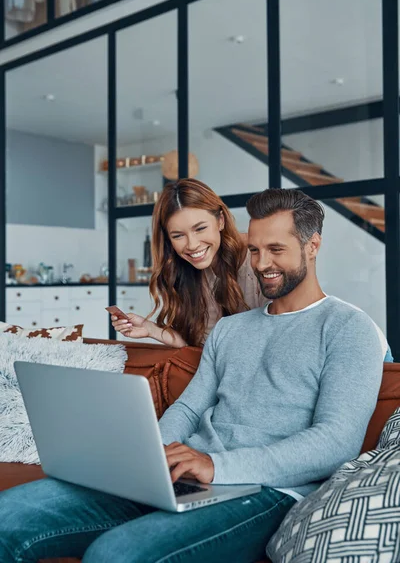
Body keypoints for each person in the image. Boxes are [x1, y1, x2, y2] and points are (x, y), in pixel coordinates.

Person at [0, 188, 388, 563]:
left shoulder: (349, 328)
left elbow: (336, 442)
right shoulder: (231, 329)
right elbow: (188, 407)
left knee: (116, 554)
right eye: (254, 250)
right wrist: (151, 459)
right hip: (186, 476)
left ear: (312, 247)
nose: (262, 263)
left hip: (266, 490)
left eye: (276, 250)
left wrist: (217, 466)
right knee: (8, 516)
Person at [112, 178, 267, 348]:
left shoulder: (259, 260)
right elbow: (200, 349)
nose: (192, 245)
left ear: (220, 221)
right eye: (178, 235)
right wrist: (151, 330)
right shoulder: (188, 272)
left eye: (200, 229)